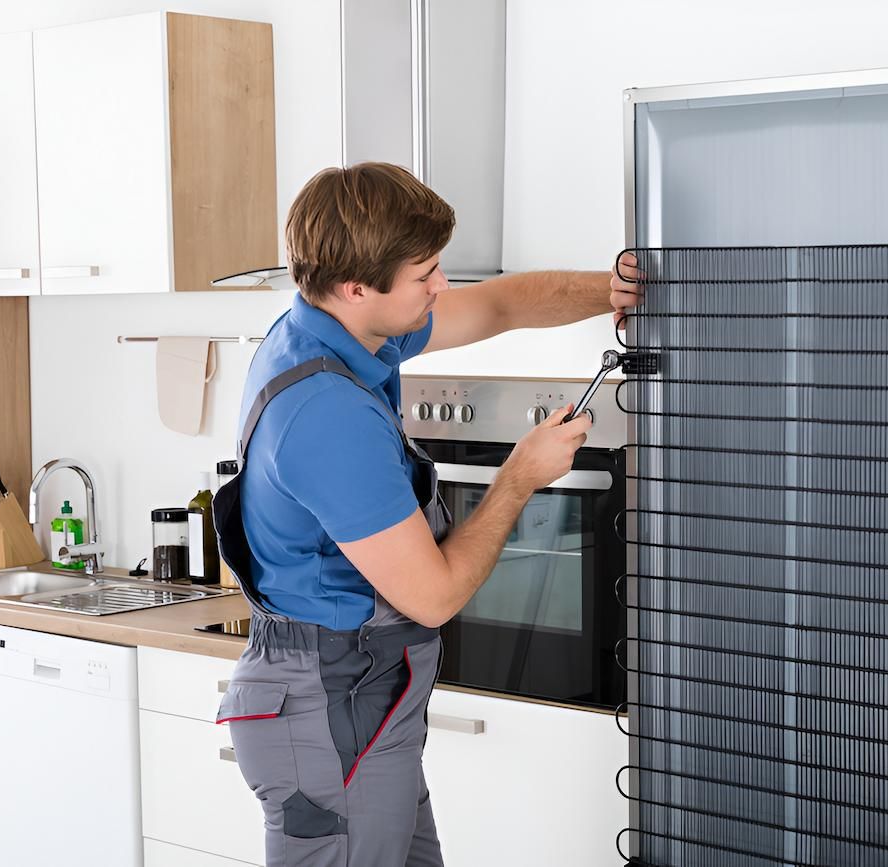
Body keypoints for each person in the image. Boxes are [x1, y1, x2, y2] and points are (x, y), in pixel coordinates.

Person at [212, 161, 643, 867]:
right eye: (427, 275)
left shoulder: (337, 328)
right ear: (358, 286)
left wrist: (614, 289)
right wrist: (518, 476)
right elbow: (435, 593)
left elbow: (501, 305)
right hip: (329, 712)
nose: (442, 286)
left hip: (362, 701)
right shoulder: (326, 415)